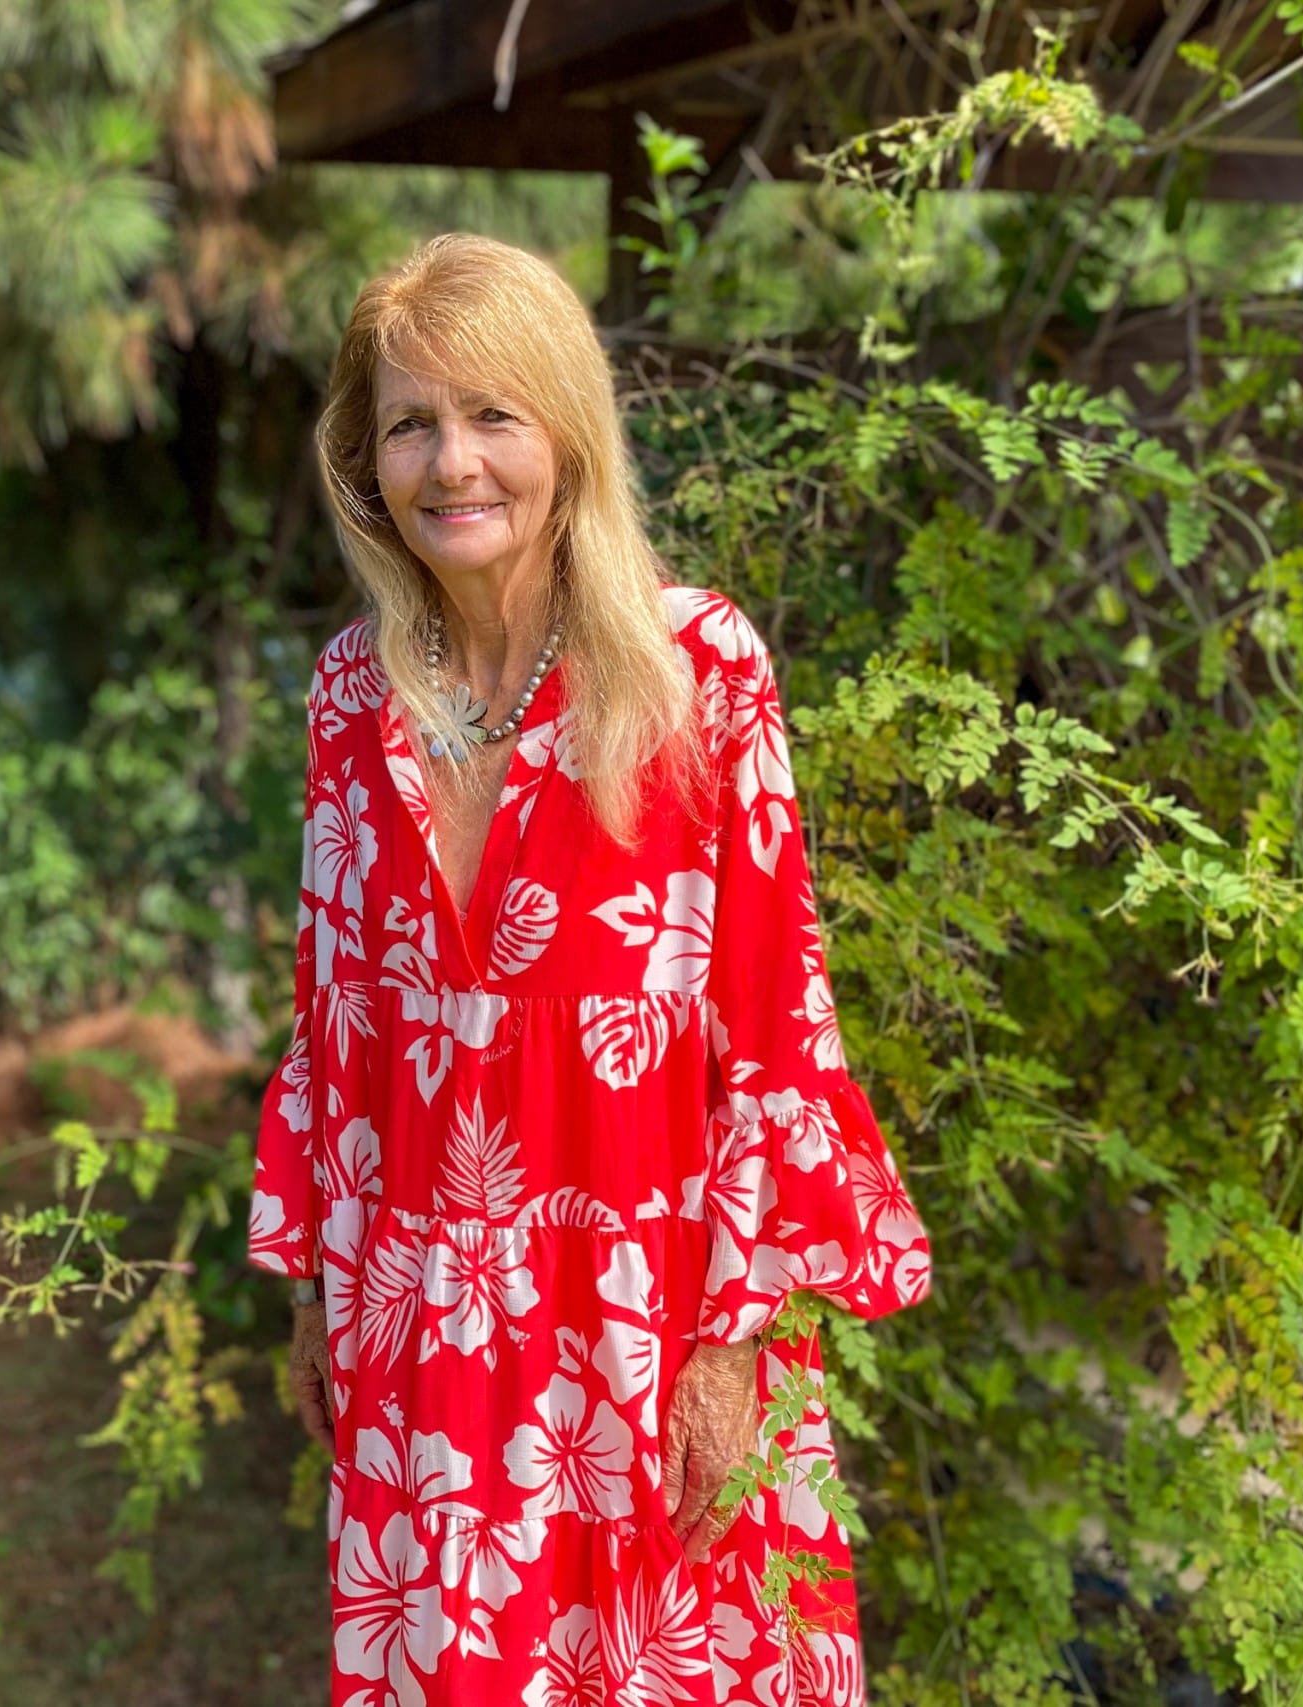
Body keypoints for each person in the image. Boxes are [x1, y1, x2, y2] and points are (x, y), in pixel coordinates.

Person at [249, 232, 932, 1707]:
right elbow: (332, 1021)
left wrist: (733, 1346)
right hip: (418, 1322)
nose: (454, 463)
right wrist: (313, 1294)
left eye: (494, 413)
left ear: (565, 430)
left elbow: (775, 1031)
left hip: (655, 1324)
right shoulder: (352, 696)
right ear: (367, 459)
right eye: (412, 422)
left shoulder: (696, 672)